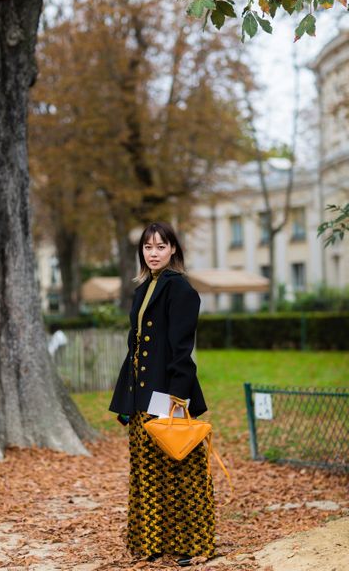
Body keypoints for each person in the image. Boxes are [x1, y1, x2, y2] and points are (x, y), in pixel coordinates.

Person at [109, 222, 215, 567]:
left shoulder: (180, 290)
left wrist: (177, 400)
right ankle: (151, 542)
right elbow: (135, 348)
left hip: (168, 395)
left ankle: (192, 544)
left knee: (181, 469)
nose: (153, 253)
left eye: (160, 247)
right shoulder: (143, 289)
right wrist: (126, 400)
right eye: (147, 247)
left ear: (173, 250)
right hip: (141, 396)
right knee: (147, 470)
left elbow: (181, 352)